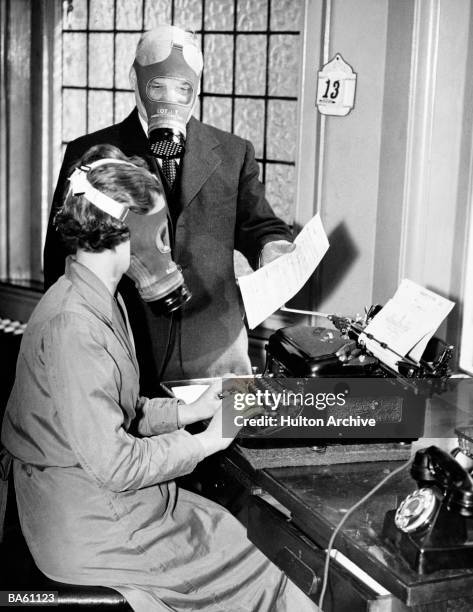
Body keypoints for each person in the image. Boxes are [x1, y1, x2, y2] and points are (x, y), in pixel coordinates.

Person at [1, 146, 317, 612]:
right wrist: (211, 439)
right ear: (129, 227)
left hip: (100, 498)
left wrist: (191, 410)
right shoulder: (75, 325)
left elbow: (116, 410)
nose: (168, 249)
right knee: (271, 564)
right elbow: (116, 464)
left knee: (238, 531)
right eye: (161, 231)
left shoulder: (95, 295)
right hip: (93, 524)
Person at [43, 24, 294, 394]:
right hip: (128, 341)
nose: (170, 99)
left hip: (214, 347)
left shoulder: (233, 151)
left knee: (221, 448)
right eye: (157, 86)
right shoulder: (92, 153)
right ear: (135, 79)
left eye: (183, 88)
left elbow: (260, 225)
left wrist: (273, 247)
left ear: (198, 86)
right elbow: (60, 254)